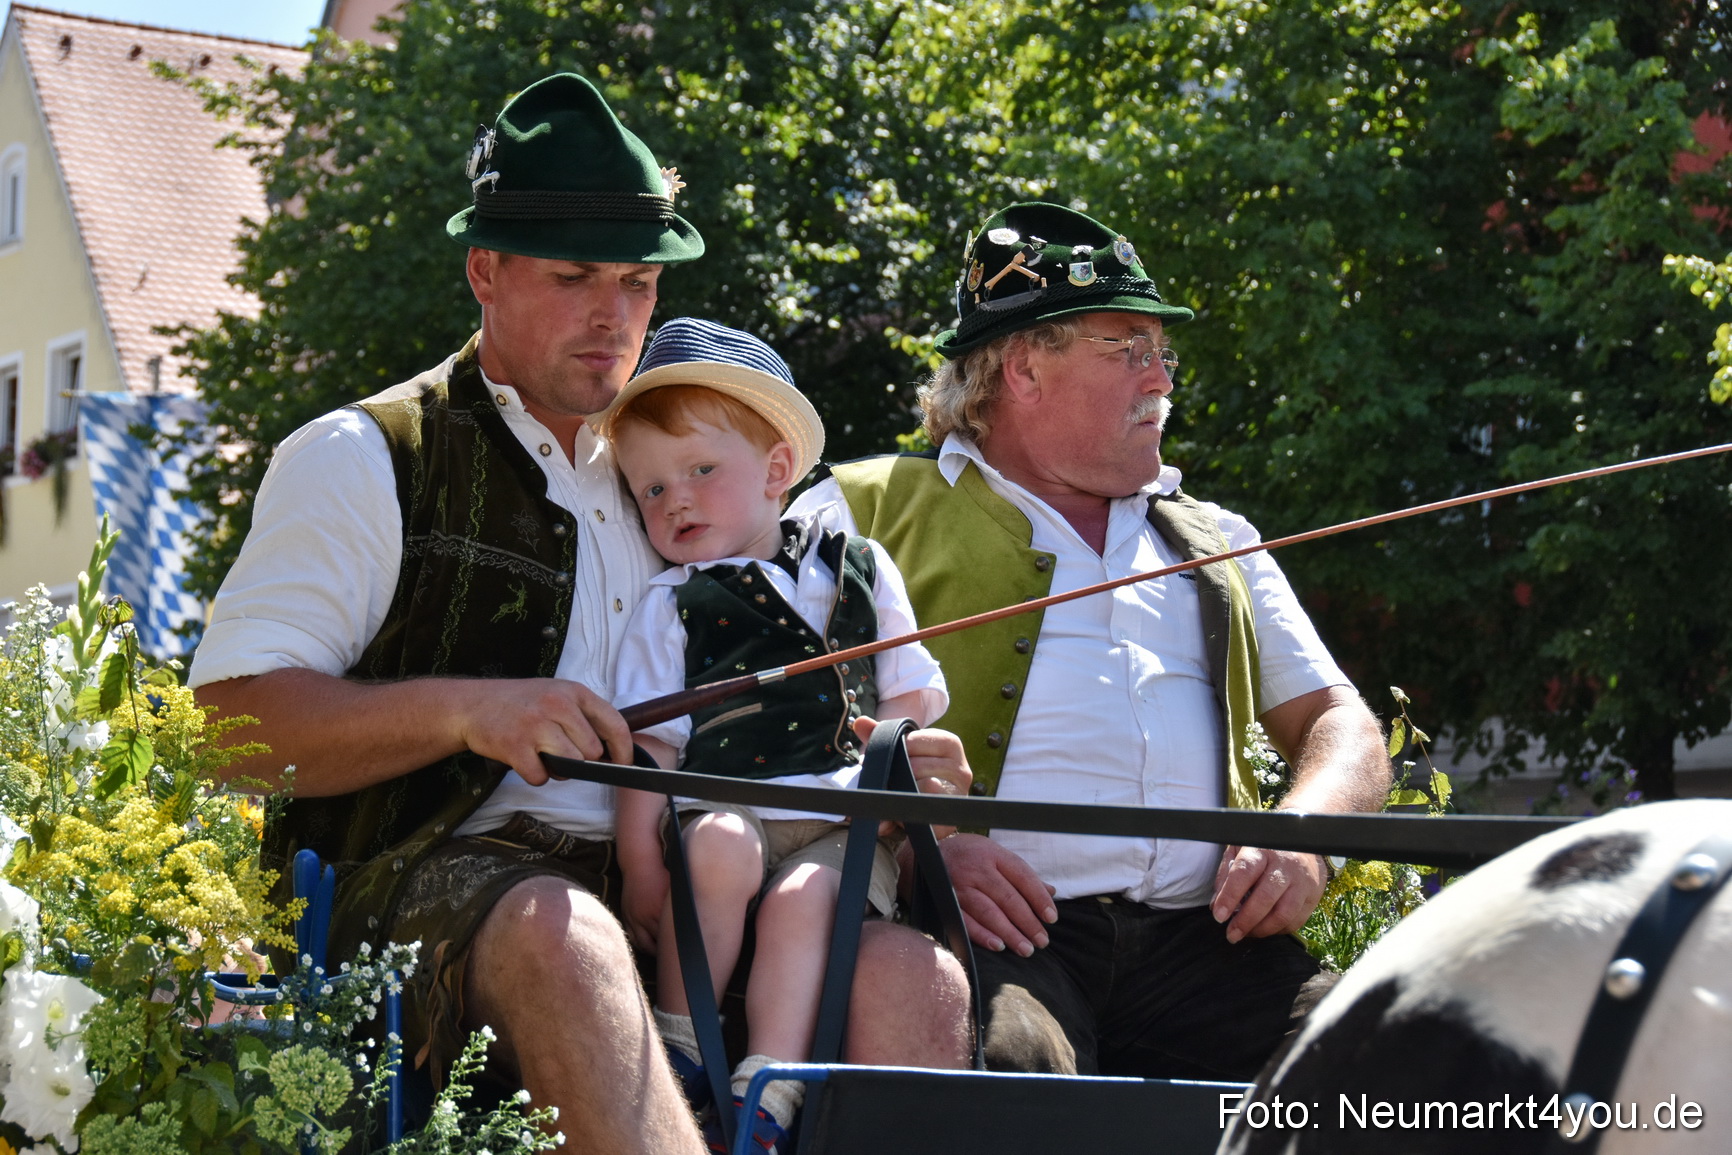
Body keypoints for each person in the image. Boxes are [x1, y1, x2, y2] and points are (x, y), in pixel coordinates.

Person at [190, 75, 970, 1153]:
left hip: (708, 863)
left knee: (909, 975)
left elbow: (833, 670)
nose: (615, 315)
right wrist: (468, 711)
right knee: (566, 934)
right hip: (428, 886)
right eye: (574, 277)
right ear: (485, 271)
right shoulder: (365, 456)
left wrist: (894, 767)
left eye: (639, 281)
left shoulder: (682, 469)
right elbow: (227, 732)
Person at [789, 201, 1392, 1081]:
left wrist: (1305, 834)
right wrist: (923, 840)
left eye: (1163, 354)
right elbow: (756, 716)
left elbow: (1340, 718)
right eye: (1130, 350)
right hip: (998, 936)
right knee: (1018, 1073)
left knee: (1378, 1063)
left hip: (1209, 945)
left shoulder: (1216, 536)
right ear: (1025, 367)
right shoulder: (858, 509)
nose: (1161, 380)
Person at [597, 317, 951, 1150]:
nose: (673, 498)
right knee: (716, 844)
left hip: (846, 825)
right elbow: (651, 752)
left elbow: (912, 701)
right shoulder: (670, 602)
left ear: (778, 470)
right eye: (649, 489)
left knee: (805, 903)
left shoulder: (862, 565)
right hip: (729, 803)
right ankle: (680, 1045)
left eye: (700, 470)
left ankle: (771, 1087)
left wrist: (910, 772)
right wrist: (643, 867)